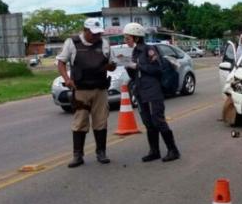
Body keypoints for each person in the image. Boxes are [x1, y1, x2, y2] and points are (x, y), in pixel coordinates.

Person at [57, 18, 116, 168]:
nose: (96, 37)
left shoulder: (104, 44)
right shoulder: (72, 43)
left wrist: (110, 66)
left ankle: (101, 152)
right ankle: (78, 155)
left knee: (101, 120)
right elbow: (61, 62)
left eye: (98, 34)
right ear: (85, 30)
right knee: (80, 121)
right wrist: (67, 79)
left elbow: (112, 66)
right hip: (81, 90)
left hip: (100, 89)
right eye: (93, 34)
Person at [123, 23, 180, 162]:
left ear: (136, 37)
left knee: (158, 119)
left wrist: (138, 66)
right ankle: (154, 151)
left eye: (128, 37)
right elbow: (134, 75)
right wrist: (127, 66)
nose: (126, 40)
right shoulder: (135, 52)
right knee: (148, 122)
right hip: (140, 90)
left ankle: (173, 150)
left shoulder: (150, 50)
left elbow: (157, 70)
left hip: (153, 90)